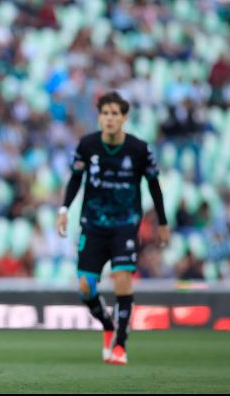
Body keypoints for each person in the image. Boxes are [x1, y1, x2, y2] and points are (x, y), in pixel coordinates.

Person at [56, 91, 170, 366]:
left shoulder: (139, 149)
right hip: (92, 226)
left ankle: (120, 344)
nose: (109, 119)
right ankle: (108, 324)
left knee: (122, 278)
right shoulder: (87, 145)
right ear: (100, 117)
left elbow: (154, 184)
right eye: (105, 113)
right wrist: (64, 210)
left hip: (125, 225)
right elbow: (75, 179)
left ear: (124, 118)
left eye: (114, 114)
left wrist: (163, 222)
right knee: (85, 287)